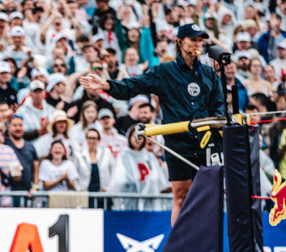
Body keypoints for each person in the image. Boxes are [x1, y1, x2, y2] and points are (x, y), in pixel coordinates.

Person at [80, 23, 225, 224]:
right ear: (180, 42)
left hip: (207, 143)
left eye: (200, 40)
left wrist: (216, 125)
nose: (197, 44)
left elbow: (219, 107)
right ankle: (180, 246)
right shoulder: (164, 71)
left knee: (208, 198)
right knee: (181, 196)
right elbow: (133, 85)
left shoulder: (210, 74)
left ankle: (206, 243)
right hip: (178, 143)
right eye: (193, 39)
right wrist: (105, 85)